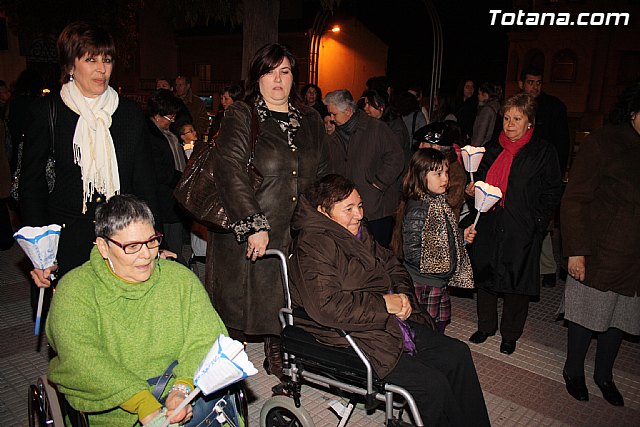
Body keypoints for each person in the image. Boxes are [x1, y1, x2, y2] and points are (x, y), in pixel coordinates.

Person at [289, 174, 490, 427]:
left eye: (360, 205)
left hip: (384, 321)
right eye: (348, 209)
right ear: (323, 211)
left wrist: (403, 298)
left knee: (457, 353)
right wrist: (384, 304)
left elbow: (393, 265)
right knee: (432, 385)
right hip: (346, 333)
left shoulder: (357, 232)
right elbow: (326, 306)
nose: (359, 215)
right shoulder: (313, 245)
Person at [45, 194, 230, 426]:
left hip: (184, 395)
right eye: (132, 246)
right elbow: (81, 358)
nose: (147, 254)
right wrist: (141, 401)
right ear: (103, 247)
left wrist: (182, 388)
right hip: (114, 408)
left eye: (152, 241)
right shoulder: (75, 290)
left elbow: (206, 337)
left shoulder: (180, 279)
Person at [19, 22, 157, 322]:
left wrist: (151, 241)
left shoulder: (129, 114)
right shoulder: (48, 112)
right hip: (65, 241)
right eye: (90, 59)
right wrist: (40, 253)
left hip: (119, 240)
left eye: (107, 60)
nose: (101, 69)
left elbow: (145, 185)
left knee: (120, 323)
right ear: (71, 65)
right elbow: (32, 187)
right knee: (72, 325)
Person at [206, 43, 329, 379]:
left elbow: (323, 172)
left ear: (294, 78)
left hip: (293, 227)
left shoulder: (311, 120)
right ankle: (228, 359)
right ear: (257, 77)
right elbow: (229, 170)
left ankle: (278, 349)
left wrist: (328, 215)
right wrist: (253, 223)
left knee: (283, 291)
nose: (277, 79)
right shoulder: (242, 114)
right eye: (269, 72)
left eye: (285, 72)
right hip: (249, 223)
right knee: (240, 299)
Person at [560, 81, 640, 406]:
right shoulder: (605, 141)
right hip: (600, 250)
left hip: (634, 257)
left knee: (621, 317)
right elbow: (574, 199)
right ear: (634, 111)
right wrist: (576, 251)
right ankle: (573, 370)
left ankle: (604, 374)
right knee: (587, 313)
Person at [467, 93, 562, 355]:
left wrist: (537, 222)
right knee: (485, 276)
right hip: (489, 222)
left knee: (516, 282)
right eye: (507, 118)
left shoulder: (543, 152)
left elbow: (553, 190)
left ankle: (510, 334)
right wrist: (472, 191)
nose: (510, 124)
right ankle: (486, 326)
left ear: (530, 122)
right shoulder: (491, 148)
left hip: (521, 227)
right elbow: (479, 182)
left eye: (517, 119)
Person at [391, 149, 476, 334]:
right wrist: (441, 265)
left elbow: (441, 235)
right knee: (425, 327)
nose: (445, 178)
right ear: (421, 176)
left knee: (440, 321)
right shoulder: (419, 209)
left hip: (438, 280)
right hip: (425, 281)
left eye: (446, 172)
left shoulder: (438, 202)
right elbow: (412, 251)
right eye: (438, 174)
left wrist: (461, 235)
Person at [324, 89, 404, 247]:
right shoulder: (334, 137)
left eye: (334, 114)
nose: (331, 119)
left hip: (376, 210)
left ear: (348, 111)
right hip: (346, 209)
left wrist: (378, 184)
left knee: (377, 253)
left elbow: (396, 157)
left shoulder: (376, 128)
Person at [519, 66, 570, 288]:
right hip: (520, 172)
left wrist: (558, 173)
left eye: (538, 82)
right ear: (522, 83)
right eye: (530, 82)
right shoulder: (516, 106)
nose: (535, 87)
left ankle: (547, 268)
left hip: (544, 174)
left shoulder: (554, 107)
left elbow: (562, 143)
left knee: (542, 222)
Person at [146, 89, 189, 265]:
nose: (172, 121)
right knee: (170, 248)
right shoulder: (150, 136)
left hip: (173, 199)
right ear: (157, 115)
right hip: (163, 200)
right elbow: (161, 172)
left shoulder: (168, 134)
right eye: (169, 117)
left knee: (176, 243)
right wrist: (184, 179)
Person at [470, 82, 501, 147]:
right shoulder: (497, 107)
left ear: (485, 95)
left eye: (479, 94)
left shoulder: (487, 110)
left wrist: (474, 148)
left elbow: (481, 132)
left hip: (482, 147)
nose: (478, 96)